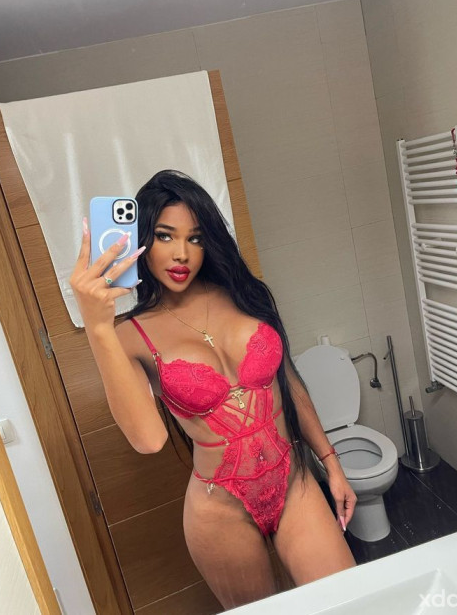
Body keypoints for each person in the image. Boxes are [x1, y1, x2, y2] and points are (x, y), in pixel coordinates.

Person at [70, 170, 357, 610]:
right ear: (141, 240)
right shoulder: (129, 336)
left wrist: (331, 464)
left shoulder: (242, 294)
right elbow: (149, 440)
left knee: (350, 602)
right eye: (165, 236)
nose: (181, 253)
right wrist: (97, 327)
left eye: (195, 238)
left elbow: (290, 383)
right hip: (220, 512)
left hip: (293, 481)